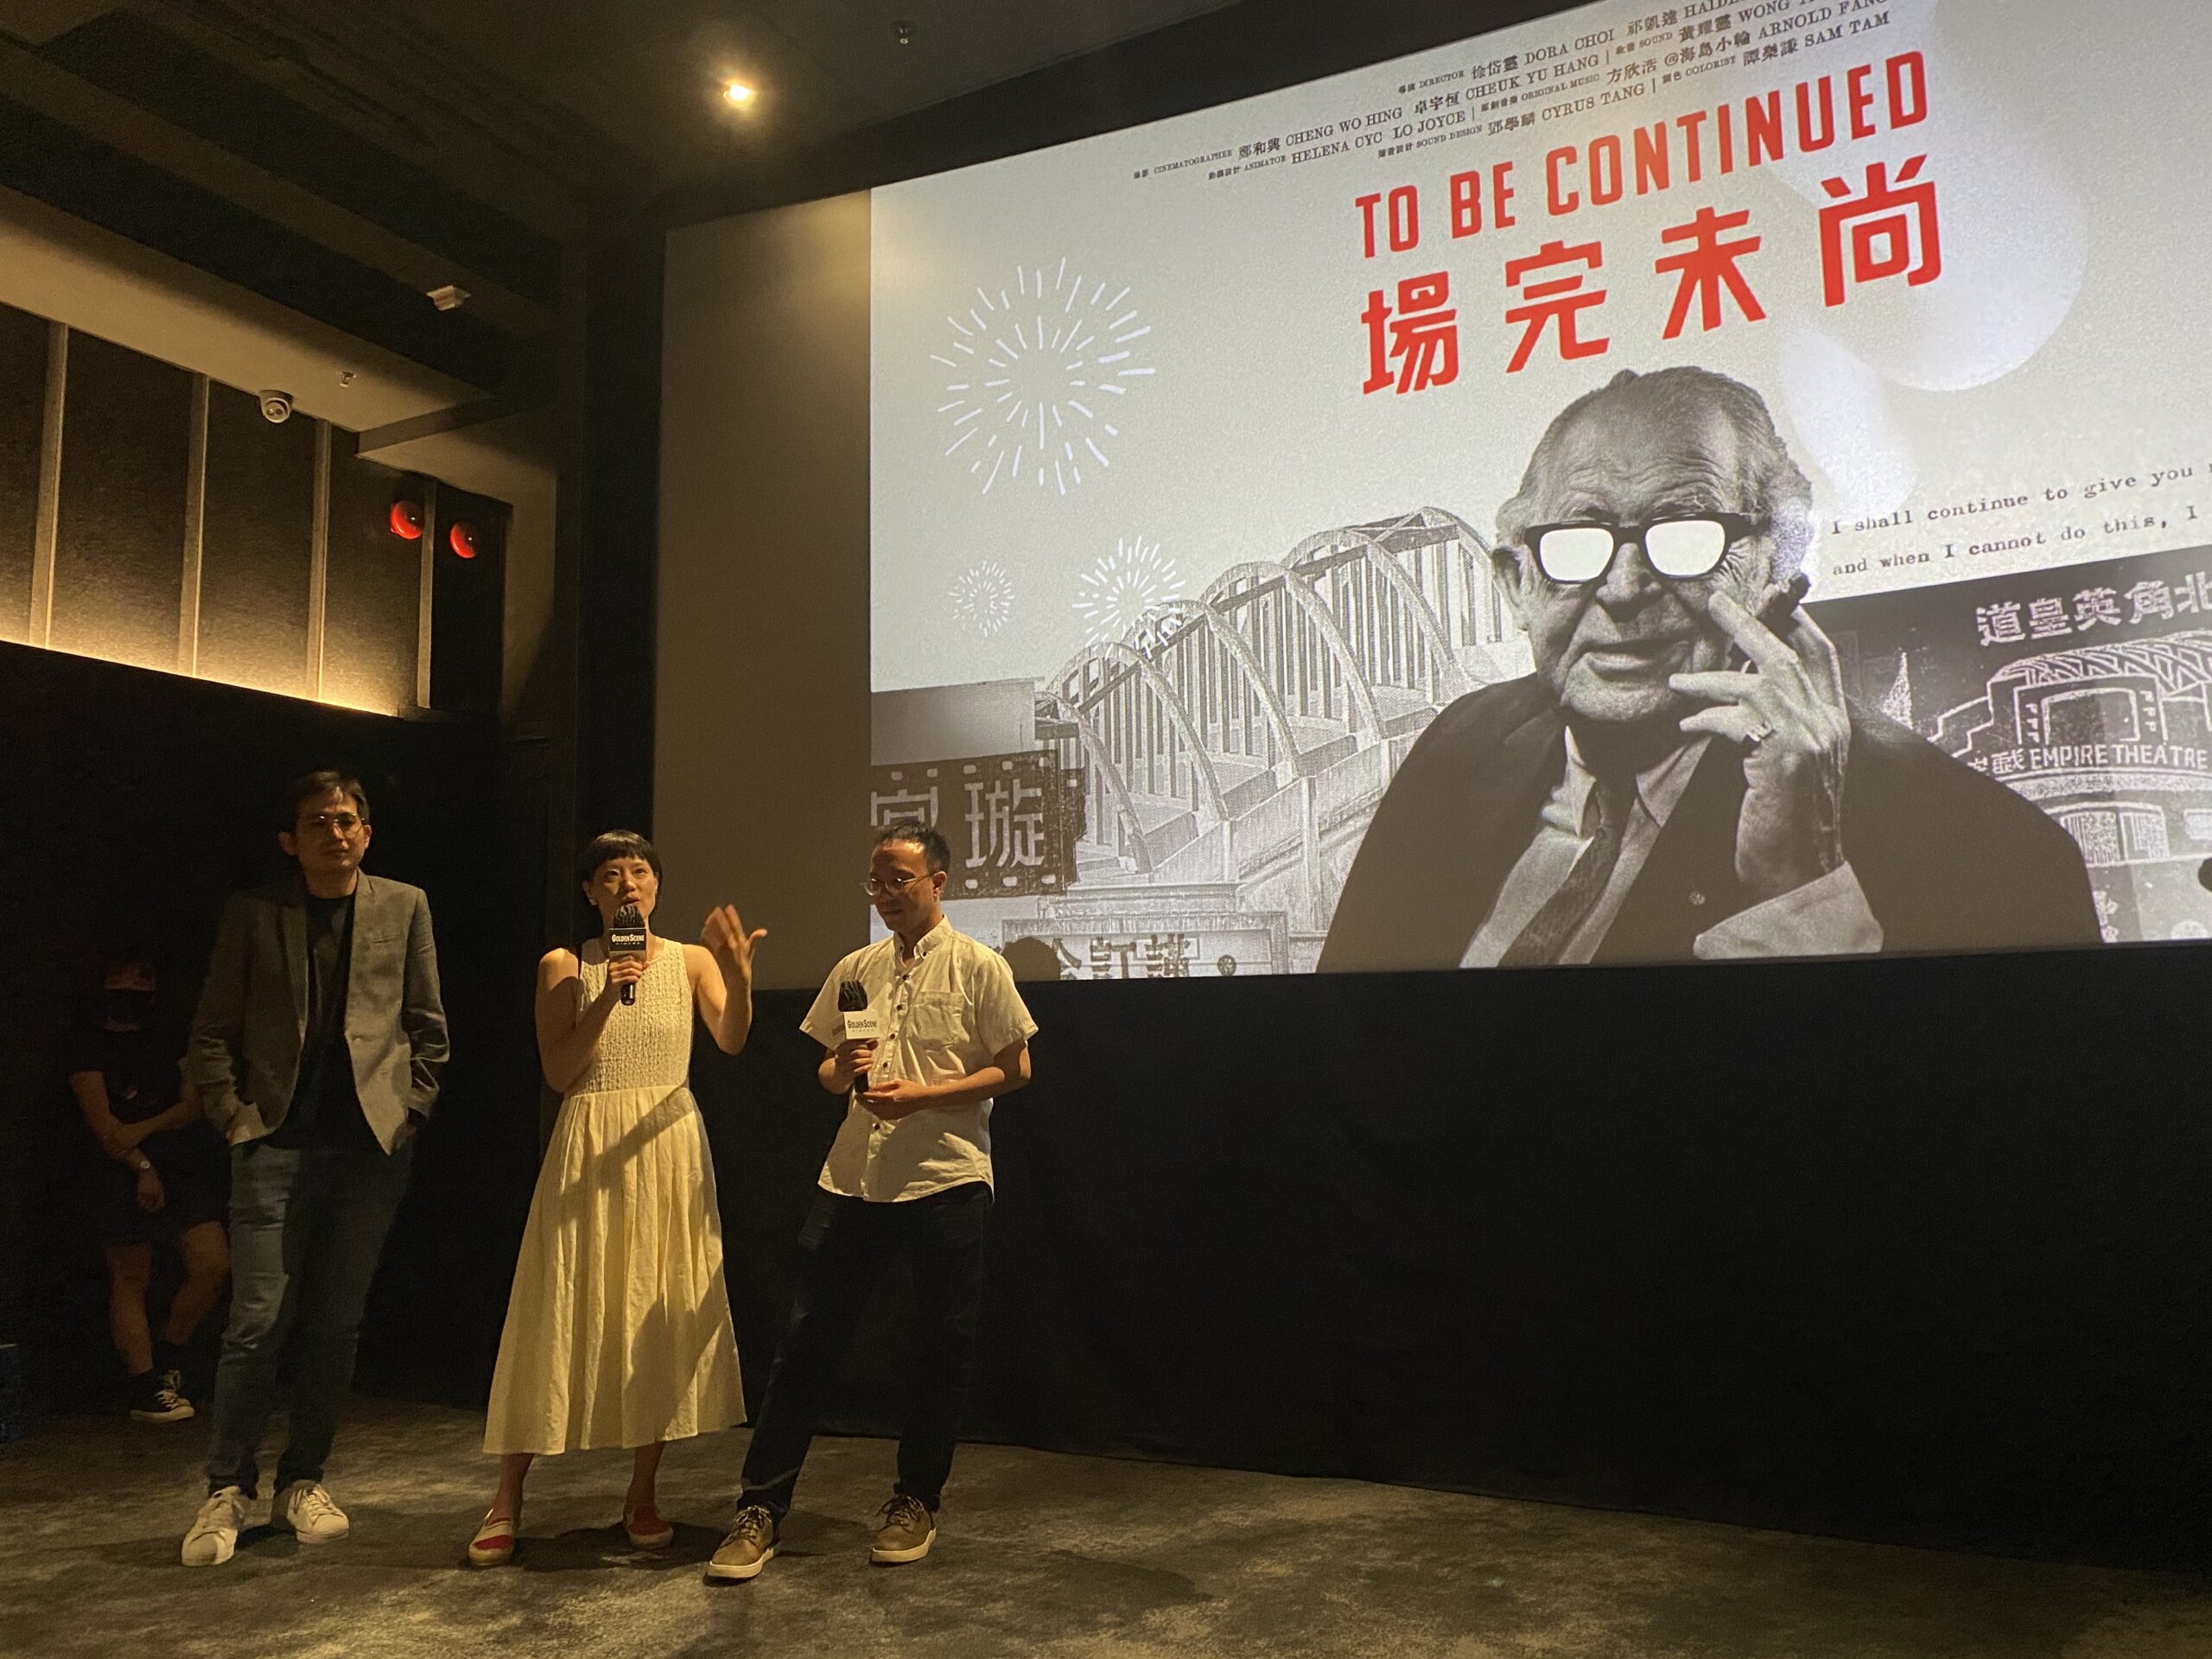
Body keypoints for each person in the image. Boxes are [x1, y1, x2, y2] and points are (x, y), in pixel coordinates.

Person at [1319, 366, 2101, 972]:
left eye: (1685, 536)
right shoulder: (1464, 742)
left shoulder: (1990, 855)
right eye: (1578, 542)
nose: (1623, 589)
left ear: (1780, 574)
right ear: (1517, 584)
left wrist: (1801, 893)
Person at [708, 821, 1038, 1582]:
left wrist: (925, 1096)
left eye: (900, 880)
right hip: (853, 1176)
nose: (886, 894)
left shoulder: (978, 966)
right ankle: (760, 1509)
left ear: (938, 883)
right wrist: (842, 1068)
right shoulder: (857, 969)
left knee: (940, 1347)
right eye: (876, 882)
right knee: (806, 1345)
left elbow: (1017, 1067)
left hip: (946, 1176)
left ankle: (915, 1500)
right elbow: (828, 1072)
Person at [466, 831, 765, 1567]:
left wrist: (738, 978)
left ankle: (642, 1494)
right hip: (589, 1141)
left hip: (666, 1142)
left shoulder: (690, 962)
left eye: (639, 871)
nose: (628, 883)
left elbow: (730, 1039)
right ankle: (506, 1497)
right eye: (611, 874)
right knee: (555, 1306)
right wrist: (607, 994)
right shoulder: (564, 965)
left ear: (656, 886)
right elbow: (561, 1070)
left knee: (652, 1308)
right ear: (590, 891)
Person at [178, 771, 448, 1567]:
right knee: (258, 1320)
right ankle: (227, 1487)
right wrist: (233, 1117)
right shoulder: (256, 912)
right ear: (290, 840)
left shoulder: (405, 905)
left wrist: (410, 1111)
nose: (336, 832)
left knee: (335, 1323)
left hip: (369, 1148)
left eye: (347, 820)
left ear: (367, 832)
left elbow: (428, 1025)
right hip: (271, 1143)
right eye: (318, 821)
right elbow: (212, 1029)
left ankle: (304, 1479)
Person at [67, 946, 230, 1424]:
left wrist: (143, 1130)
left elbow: (191, 1105)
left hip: (178, 1164)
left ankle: (170, 1356)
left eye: (143, 980)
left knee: (213, 1263)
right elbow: (103, 1125)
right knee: (130, 1275)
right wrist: (140, 1165)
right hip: (114, 1168)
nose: (132, 989)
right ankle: (143, 1385)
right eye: (122, 980)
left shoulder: (170, 1038)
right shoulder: (86, 1045)